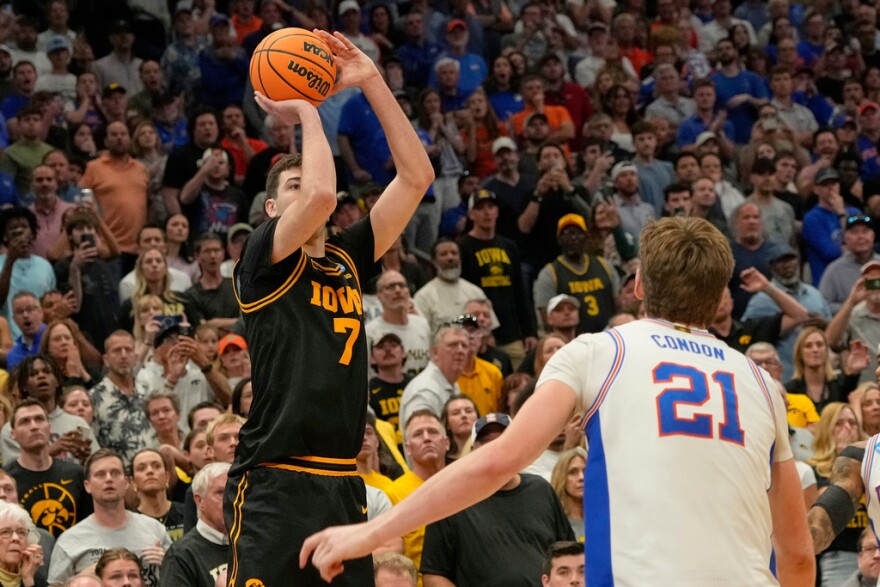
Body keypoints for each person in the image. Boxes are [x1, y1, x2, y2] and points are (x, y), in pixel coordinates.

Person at [300, 217, 815, 586]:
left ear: (636, 284)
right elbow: (796, 557)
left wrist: (373, 532)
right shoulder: (762, 383)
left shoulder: (600, 351)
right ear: (721, 295)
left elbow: (497, 461)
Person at [224, 31, 434, 587]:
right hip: (274, 476)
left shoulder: (346, 257)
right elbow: (321, 195)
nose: (307, 191)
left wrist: (371, 81)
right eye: (289, 185)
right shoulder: (260, 257)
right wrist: (308, 110)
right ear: (272, 208)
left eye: (305, 178)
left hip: (343, 481)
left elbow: (417, 177)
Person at [420, 412, 575, 585]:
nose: (495, 448)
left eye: (504, 441)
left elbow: (569, 557)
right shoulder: (450, 499)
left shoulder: (542, 490)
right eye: (486, 442)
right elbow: (433, 575)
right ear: (473, 451)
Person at [47, 449, 171, 587]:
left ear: (126, 482)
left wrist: (169, 564)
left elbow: (179, 580)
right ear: (87, 486)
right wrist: (82, 579)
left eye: (115, 473)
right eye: (100, 474)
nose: (109, 479)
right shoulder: (69, 541)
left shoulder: (155, 530)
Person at [3, 399, 90, 538]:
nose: (34, 426)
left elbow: (89, 525)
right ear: (12, 434)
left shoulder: (76, 473)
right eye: (24, 421)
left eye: (39, 419)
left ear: (49, 427)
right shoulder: (6, 481)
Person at [159, 462, 229, 587]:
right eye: (220, 492)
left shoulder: (251, 544)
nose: (230, 499)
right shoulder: (181, 555)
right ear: (199, 500)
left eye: (234, 491)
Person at [399, 325, 470, 429]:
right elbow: (422, 438)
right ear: (435, 352)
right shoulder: (424, 391)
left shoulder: (452, 384)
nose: (460, 350)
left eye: (464, 345)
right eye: (453, 345)